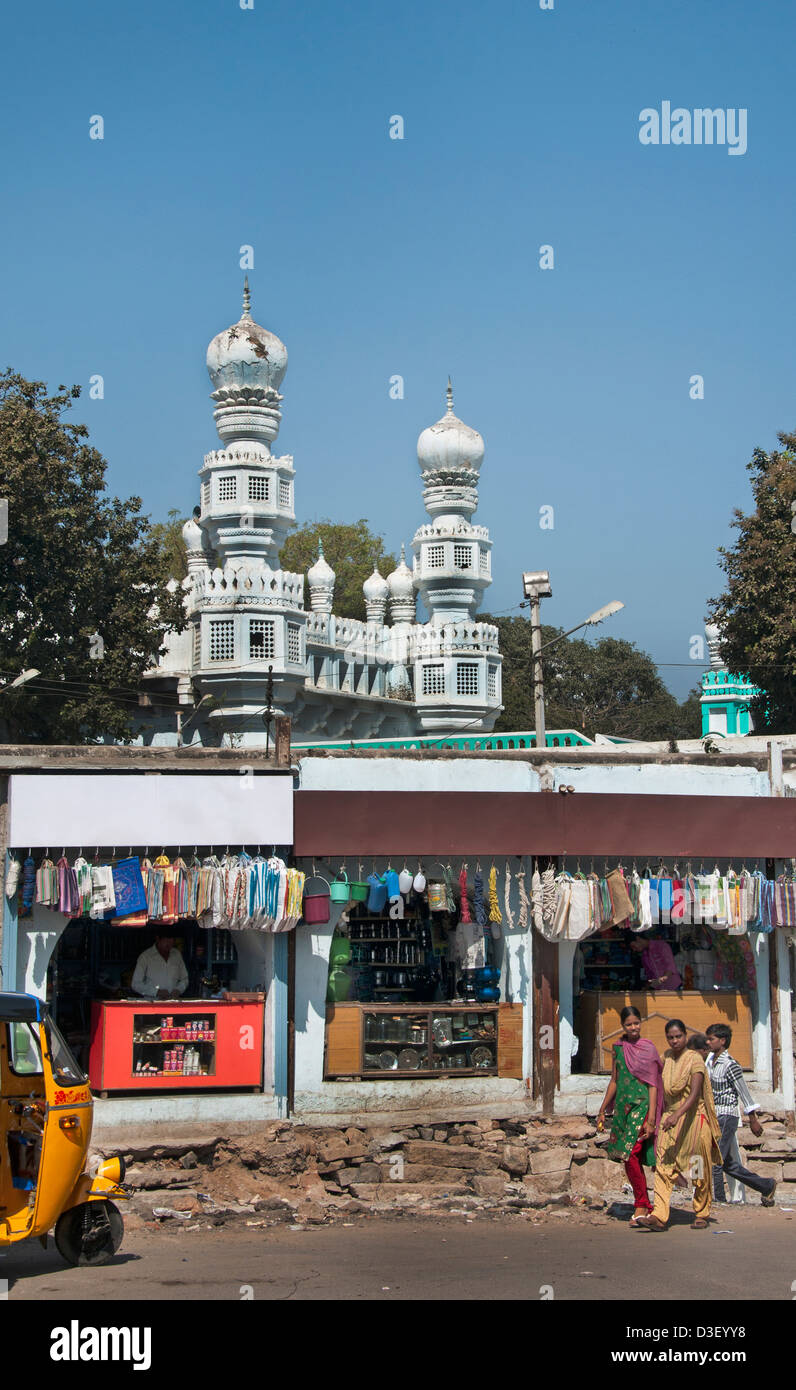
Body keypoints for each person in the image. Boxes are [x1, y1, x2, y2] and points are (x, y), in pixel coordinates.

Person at [635, 1018, 722, 1232]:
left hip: (693, 1118)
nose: (674, 1041)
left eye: (678, 1036)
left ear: (685, 1036)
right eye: (670, 1037)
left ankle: (701, 1212)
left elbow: (694, 1094)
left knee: (698, 1168)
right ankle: (659, 1215)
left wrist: (678, 1115)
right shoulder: (666, 1058)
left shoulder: (695, 1060)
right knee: (663, 1165)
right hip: (669, 1118)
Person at [596, 1006, 663, 1226]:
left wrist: (652, 1119)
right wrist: (603, 1107)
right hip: (623, 1108)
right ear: (622, 1026)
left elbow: (653, 1085)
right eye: (628, 1024)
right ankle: (641, 1201)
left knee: (633, 1152)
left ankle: (643, 1204)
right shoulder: (618, 1048)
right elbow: (615, 1080)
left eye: (636, 1023)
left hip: (642, 1107)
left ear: (641, 1022)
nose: (633, 1027)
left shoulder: (648, 1049)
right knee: (627, 1156)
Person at [705, 1024, 777, 1208]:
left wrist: (753, 1118)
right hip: (714, 1116)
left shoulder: (731, 1065)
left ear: (722, 1041)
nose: (708, 1042)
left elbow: (743, 1092)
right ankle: (766, 1185)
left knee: (716, 1158)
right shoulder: (709, 1061)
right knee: (727, 1164)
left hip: (727, 1116)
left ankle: (718, 1199)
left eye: (711, 1039)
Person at [131, 932, 189, 1000]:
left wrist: (178, 990)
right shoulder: (145, 957)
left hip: (173, 1003)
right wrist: (156, 992)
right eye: (166, 941)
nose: (169, 944)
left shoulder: (177, 955)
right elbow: (136, 984)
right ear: (158, 939)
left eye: (171, 941)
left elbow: (184, 979)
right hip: (152, 1004)